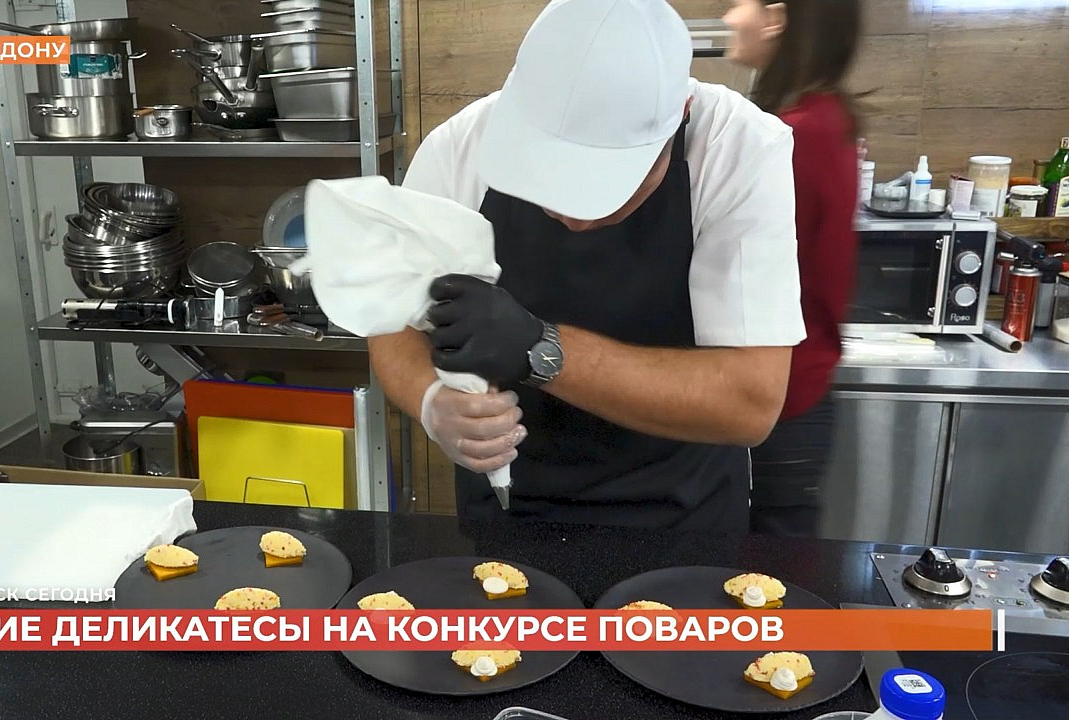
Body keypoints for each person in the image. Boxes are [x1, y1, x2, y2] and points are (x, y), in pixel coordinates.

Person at [369, 0, 806, 531]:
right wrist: (430, 399)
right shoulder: (457, 149)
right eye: (547, 174)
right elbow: (392, 320)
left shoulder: (739, 149)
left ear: (682, 114)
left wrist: (540, 348)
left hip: (682, 514)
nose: (575, 217)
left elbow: (750, 401)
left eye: (610, 183)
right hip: (510, 513)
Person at [723, 0, 862, 536]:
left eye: (740, 3)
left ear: (776, 18)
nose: (731, 18)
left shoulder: (792, 136)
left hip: (779, 398)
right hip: (798, 390)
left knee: (768, 573)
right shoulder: (827, 117)